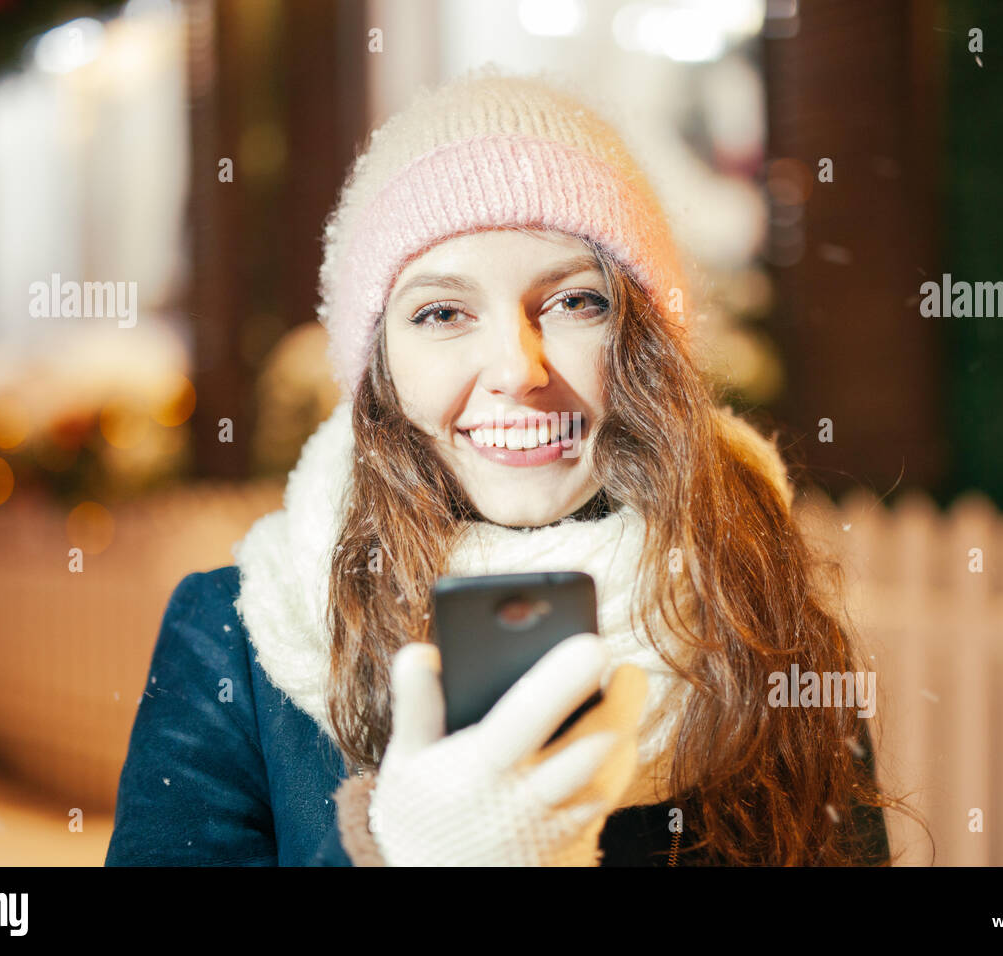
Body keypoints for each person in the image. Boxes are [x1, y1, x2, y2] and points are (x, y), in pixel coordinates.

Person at [105, 64, 902, 867]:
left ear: (649, 342)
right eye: (441, 312)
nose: (518, 369)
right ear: (378, 366)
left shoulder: (758, 610)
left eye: (574, 302)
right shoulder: (236, 639)